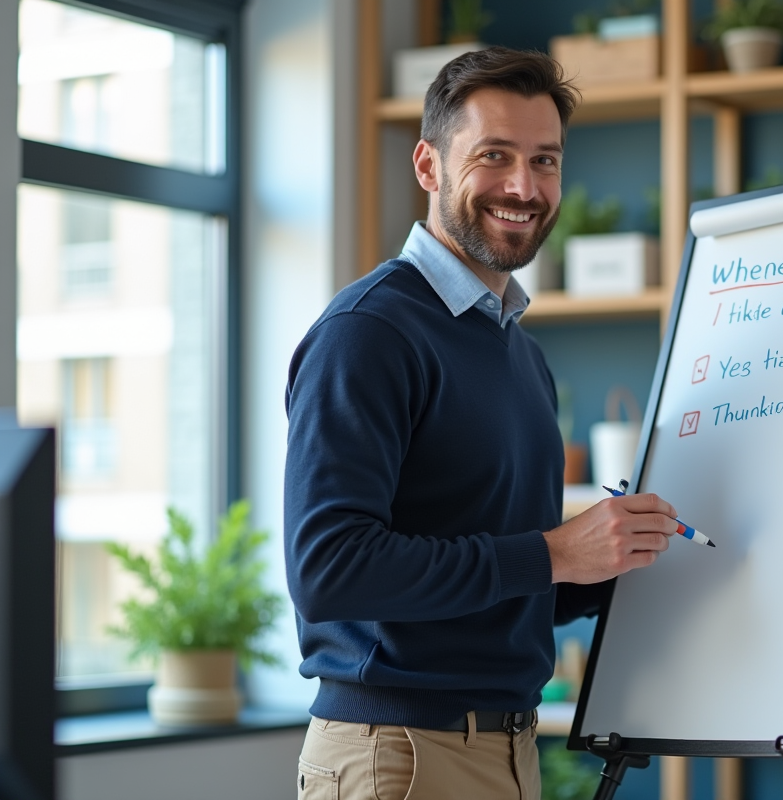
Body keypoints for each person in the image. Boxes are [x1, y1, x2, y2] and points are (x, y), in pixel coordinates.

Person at [283, 47, 680, 800]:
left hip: (505, 749)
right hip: (397, 755)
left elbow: (499, 579)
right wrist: (556, 553)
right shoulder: (369, 333)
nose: (524, 188)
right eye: (494, 156)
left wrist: (607, 565)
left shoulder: (519, 352)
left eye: (545, 161)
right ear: (428, 166)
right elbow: (329, 570)